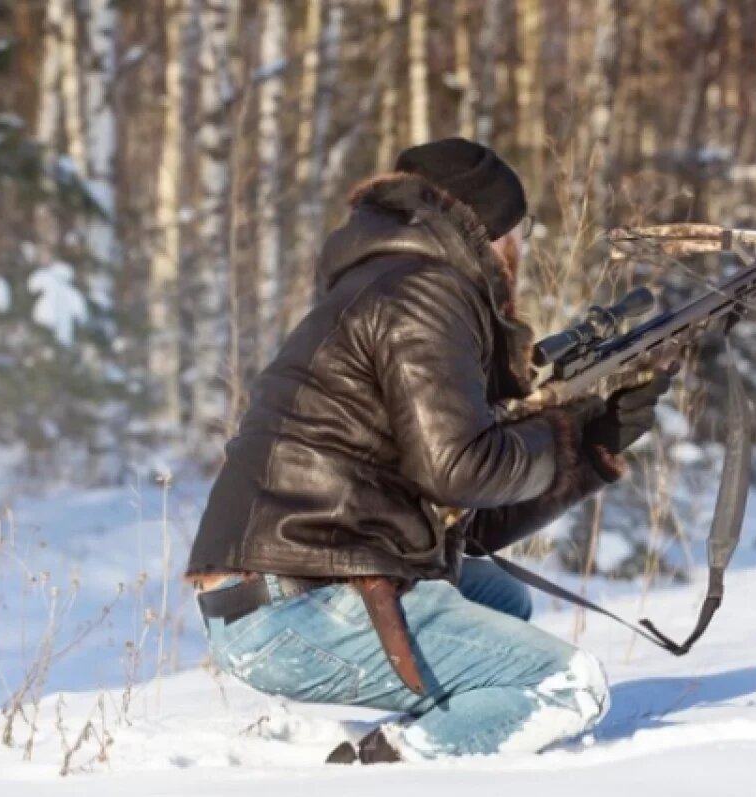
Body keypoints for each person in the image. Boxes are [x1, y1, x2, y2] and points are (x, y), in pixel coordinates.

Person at [185, 137, 671, 763]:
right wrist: (559, 432)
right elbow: (461, 470)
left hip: (293, 587)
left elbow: (473, 517)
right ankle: (384, 765)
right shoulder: (426, 292)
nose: (518, 250)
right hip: (293, 609)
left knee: (503, 599)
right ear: (490, 230)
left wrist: (594, 443)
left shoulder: (389, 281)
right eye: (517, 232)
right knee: (569, 686)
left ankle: (426, 732)